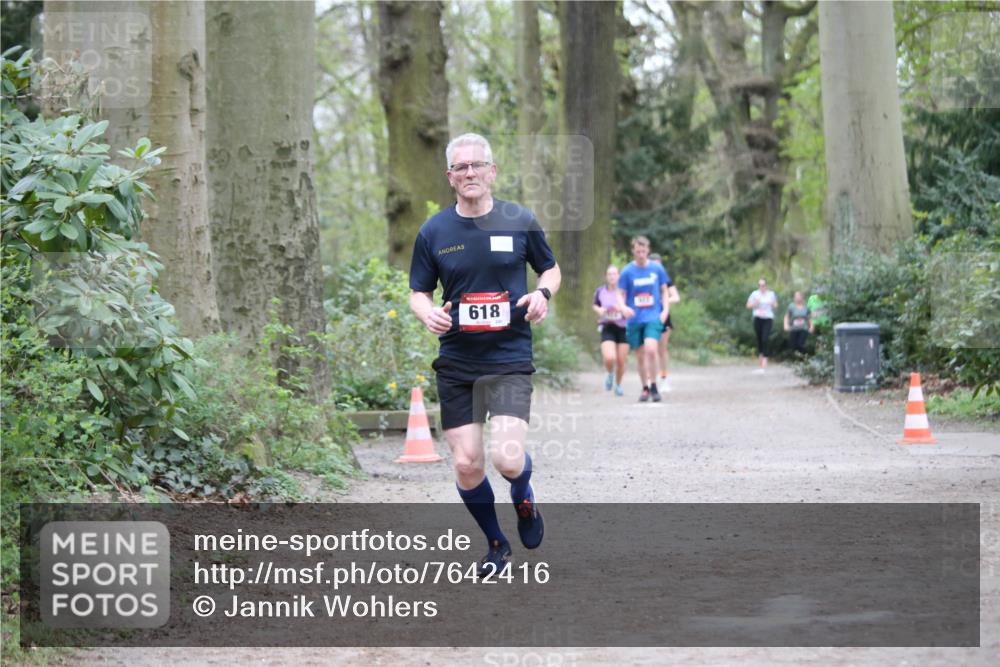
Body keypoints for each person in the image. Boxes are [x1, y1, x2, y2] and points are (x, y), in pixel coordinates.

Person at [409, 133, 560, 575]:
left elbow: (549, 268)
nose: (470, 172)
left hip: (510, 357)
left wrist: (543, 294)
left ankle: (524, 494)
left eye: (477, 165)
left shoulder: (519, 220)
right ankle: (496, 544)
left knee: (507, 459)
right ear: (450, 177)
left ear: (492, 171)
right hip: (457, 362)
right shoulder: (433, 231)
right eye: (461, 167)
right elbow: (418, 292)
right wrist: (427, 314)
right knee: (467, 463)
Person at [617, 236, 671, 402]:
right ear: (633, 251)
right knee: (640, 356)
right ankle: (645, 388)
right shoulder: (627, 271)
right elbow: (619, 293)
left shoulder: (657, 269)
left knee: (651, 350)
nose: (640, 254)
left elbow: (664, 290)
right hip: (634, 319)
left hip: (653, 317)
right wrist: (623, 307)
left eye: (643, 251)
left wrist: (665, 311)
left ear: (648, 250)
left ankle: (654, 385)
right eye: (637, 251)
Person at [592, 264, 628, 396]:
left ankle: (618, 385)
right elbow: (595, 304)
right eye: (609, 274)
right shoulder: (600, 291)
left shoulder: (625, 292)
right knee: (609, 357)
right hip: (607, 326)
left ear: (619, 276)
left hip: (624, 328)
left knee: (621, 361)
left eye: (614, 274)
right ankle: (610, 373)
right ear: (606, 277)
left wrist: (623, 309)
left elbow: (632, 308)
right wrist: (600, 310)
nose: (612, 276)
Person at [649, 252, 681, 392]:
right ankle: (651, 380)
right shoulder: (645, 280)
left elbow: (676, 297)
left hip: (663, 317)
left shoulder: (666, 281)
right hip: (648, 317)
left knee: (661, 349)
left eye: (659, 265)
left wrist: (663, 300)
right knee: (650, 349)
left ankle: (664, 378)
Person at [746, 278, 778, 372]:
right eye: (760, 285)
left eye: (763, 285)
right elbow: (748, 306)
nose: (762, 287)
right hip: (758, 317)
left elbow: (776, 305)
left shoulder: (771, 294)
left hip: (768, 318)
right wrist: (755, 303)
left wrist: (771, 303)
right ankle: (761, 354)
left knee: (765, 338)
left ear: (766, 285)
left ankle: (765, 358)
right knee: (759, 338)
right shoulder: (754, 294)